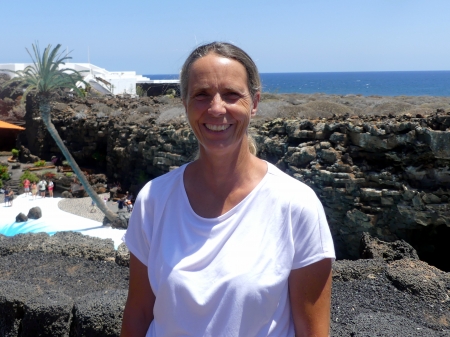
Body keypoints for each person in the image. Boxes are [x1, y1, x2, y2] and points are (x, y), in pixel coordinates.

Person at [121, 42, 335, 337]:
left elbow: (312, 331)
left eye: (232, 95)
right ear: (184, 103)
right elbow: (139, 313)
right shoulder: (154, 200)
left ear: (255, 102)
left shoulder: (296, 205)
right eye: (202, 95)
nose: (217, 108)